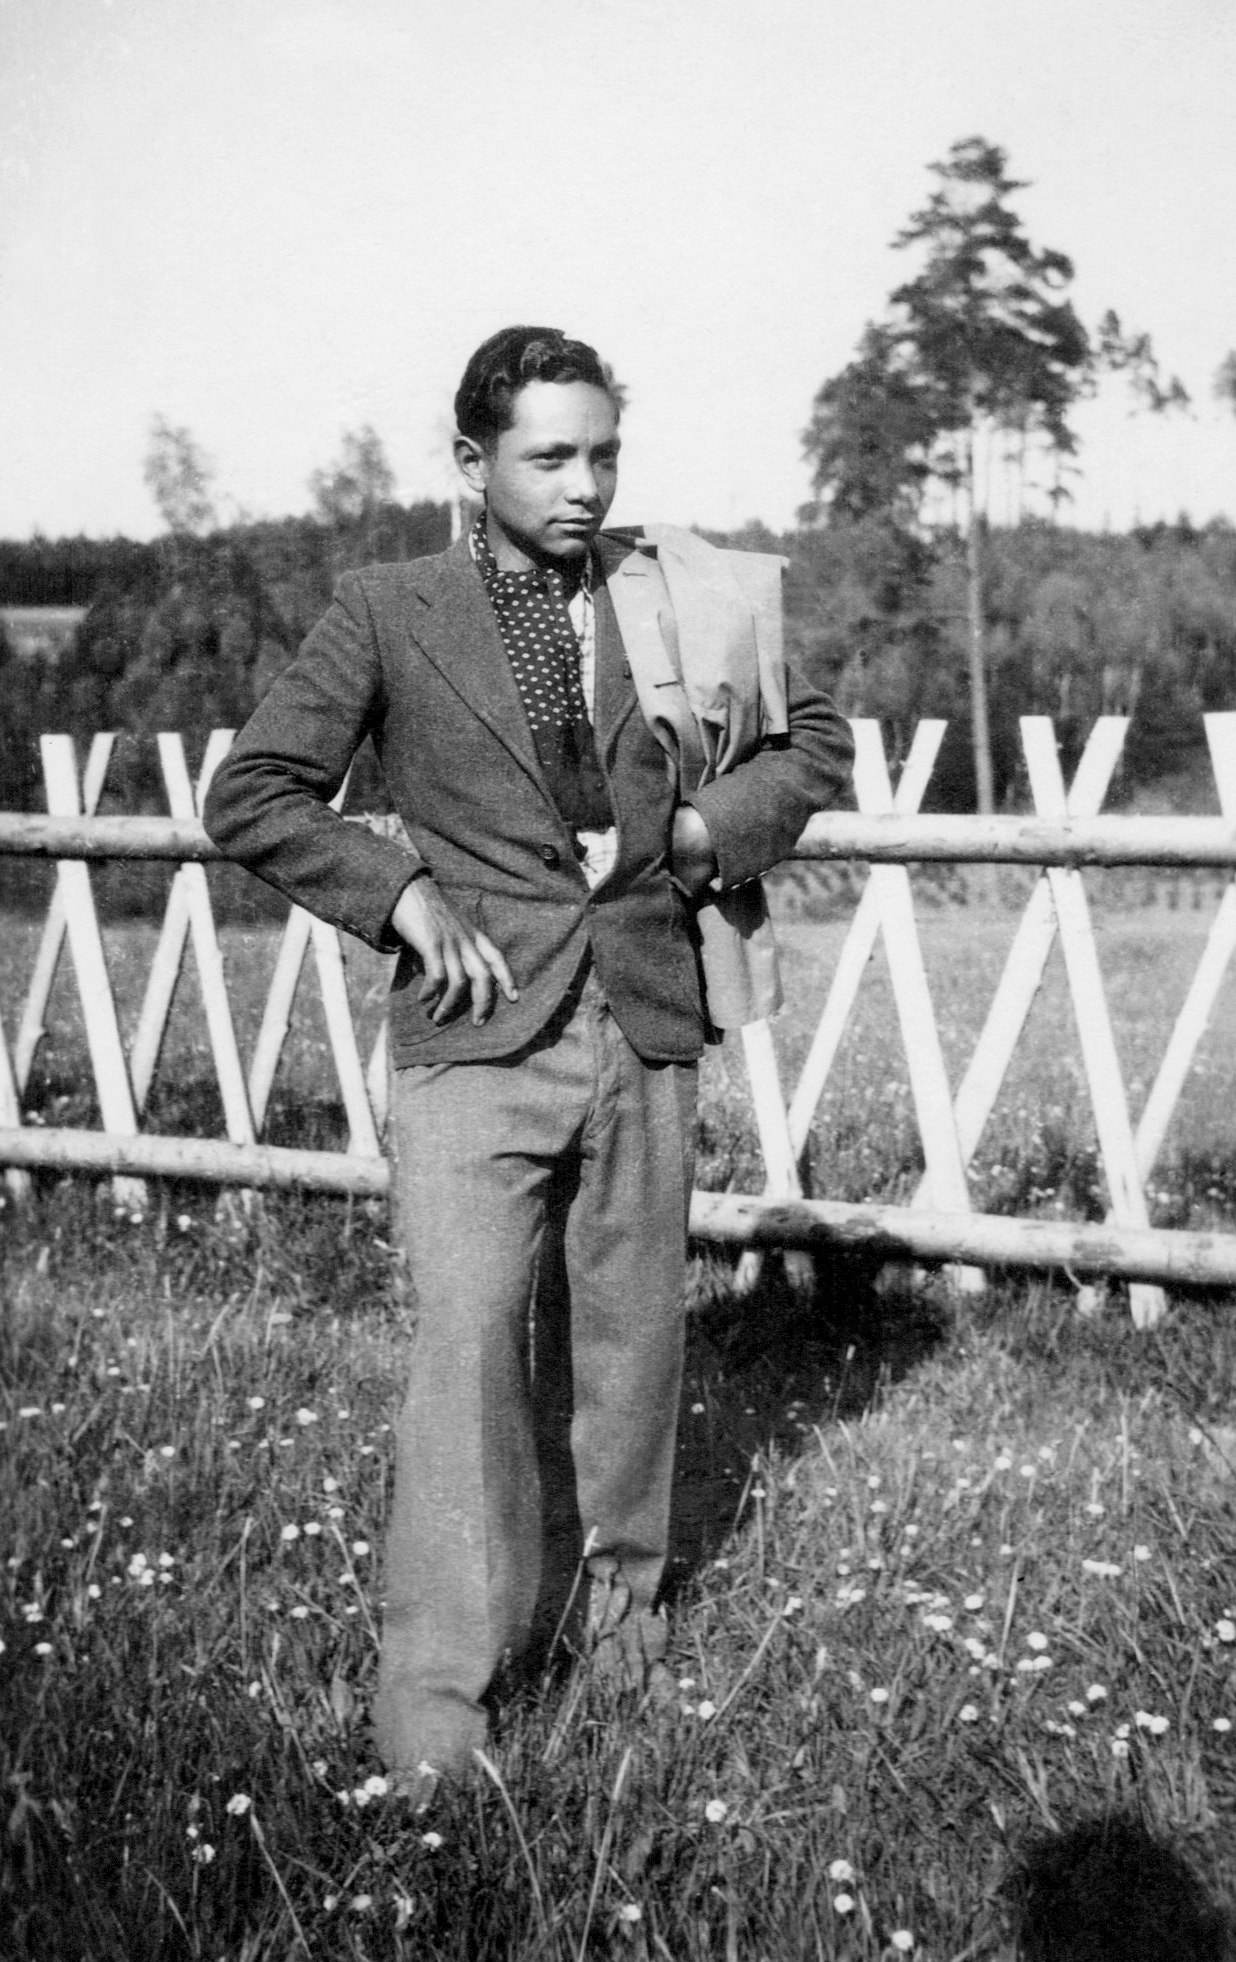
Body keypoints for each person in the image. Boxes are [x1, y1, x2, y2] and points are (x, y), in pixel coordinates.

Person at [203, 325, 854, 1802]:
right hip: (472, 1038)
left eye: (604, 453)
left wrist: (707, 832)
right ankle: (435, 1709)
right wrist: (394, 891)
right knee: (470, 1347)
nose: (584, 485)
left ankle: (619, 1639)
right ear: (471, 462)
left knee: (630, 1349)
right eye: (551, 456)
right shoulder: (386, 607)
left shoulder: (672, 588)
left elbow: (810, 743)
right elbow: (251, 790)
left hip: (643, 1016)